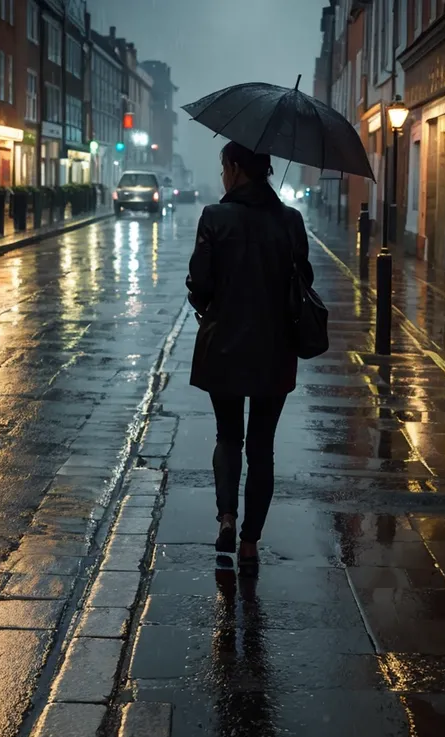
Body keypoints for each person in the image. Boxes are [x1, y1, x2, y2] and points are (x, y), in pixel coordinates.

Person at [186, 141, 312, 567]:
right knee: (262, 447)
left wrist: (208, 305)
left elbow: (199, 283)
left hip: (223, 346)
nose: (222, 175)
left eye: (224, 167)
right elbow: (304, 281)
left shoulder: (215, 217)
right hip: (275, 351)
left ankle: (225, 515)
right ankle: (250, 542)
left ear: (236, 169)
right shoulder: (290, 221)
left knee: (228, 435)